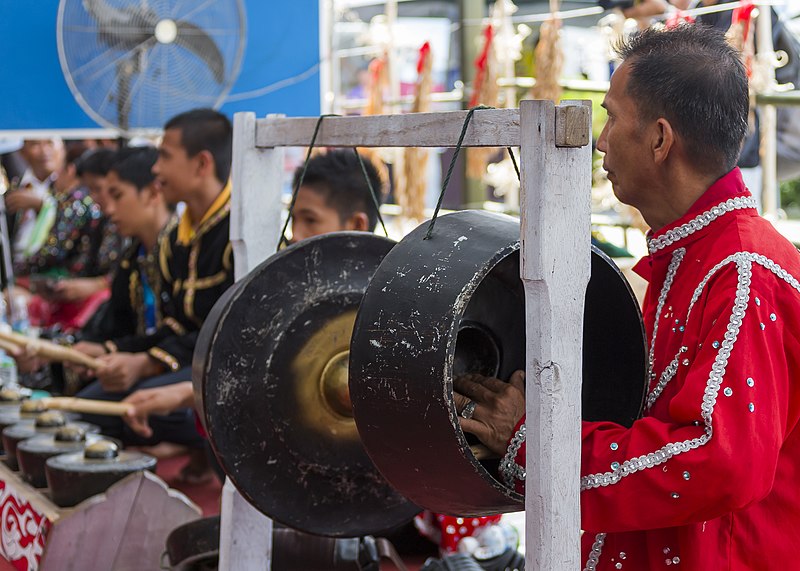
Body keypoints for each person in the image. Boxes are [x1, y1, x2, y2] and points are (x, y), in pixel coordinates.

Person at [456, 25, 800, 569]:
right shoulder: (685, 261)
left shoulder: (745, 272)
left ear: (660, 140)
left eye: (612, 117)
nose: (600, 139)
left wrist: (535, 443)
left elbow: (720, 462)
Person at [122, 149, 386, 470]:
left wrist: (183, 394)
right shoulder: (295, 290)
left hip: (354, 462)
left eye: (310, 220)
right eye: (294, 218)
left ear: (356, 223)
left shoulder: (387, 305)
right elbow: (258, 369)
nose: (295, 235)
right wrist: (186, 391)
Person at [76, 109, 235, 482]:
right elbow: (175, 326)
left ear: (201, 164)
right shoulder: (179, 238)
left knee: (119, 406)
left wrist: (146, 363)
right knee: (93, 403)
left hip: (227, 373)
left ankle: (195, 445)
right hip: (184, 364)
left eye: (165, 156)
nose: (157, 170)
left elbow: (230, 335)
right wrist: (121, 355)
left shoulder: (241, 232)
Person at [14, 142, 123, 329]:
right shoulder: (98, 212)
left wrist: (15, 274)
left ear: (69, 170)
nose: (94, 198)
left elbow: (52, 252)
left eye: (98, 189)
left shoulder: (77, 201)